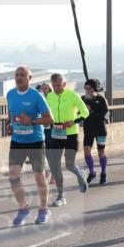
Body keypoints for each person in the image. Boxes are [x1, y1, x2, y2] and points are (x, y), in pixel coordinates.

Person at [7, 66, 54, 226]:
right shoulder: (11, 94)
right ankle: (23, 208)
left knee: (39, 177)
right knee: (13, 177)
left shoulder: (36, 95)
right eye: (17, 75)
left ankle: (44, 209)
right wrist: (10, 124)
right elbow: (11, 113)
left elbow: (49, 119)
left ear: (30, 78)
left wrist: (32, 121)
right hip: (17, 141)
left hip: (35, 141)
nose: (19, 77)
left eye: (22, 75)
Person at [45, 73, 91, 206]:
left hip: (70, 134)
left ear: (64, 84)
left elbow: (85, 112)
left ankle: (79, 173)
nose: (56, 88)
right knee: (55, 165)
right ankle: (61, 196)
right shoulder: (50, 96)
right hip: (56, 133)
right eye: (54, 86)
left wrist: (75, 121)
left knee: (69, 165)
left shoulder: (73, 95)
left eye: (59, 85)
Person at [81, 79, 110, 185]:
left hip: (100, 129)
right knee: (86, 152)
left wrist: (92, 111)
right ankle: (92, 172)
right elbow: (81, 113)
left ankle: (103, 173)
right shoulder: (83, 99)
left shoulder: (101, 99)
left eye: (89, 88)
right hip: (88, 129)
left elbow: (107, 115)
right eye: (86, 88)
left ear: (94, 89)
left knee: (101, 152)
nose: (87, 90)